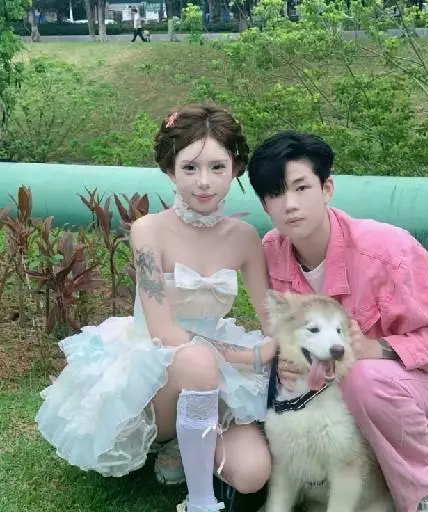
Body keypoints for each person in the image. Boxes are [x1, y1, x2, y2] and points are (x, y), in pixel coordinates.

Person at [35, 104, 276, 512]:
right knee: (197, 361)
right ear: (169, 170)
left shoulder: (245, 237)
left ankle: (188, 443)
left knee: (252, 474)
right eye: (190, 168)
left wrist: (279, 344)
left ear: (235, 168)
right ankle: (200, 501)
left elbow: (271, 319)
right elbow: (163, 331)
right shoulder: (150, 230)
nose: (204, 182)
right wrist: (251, 356)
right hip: (154, 364)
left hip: (214, 367)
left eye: (218, 167)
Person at [247, 131, 428, 512]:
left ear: (327, 188)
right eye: (275, 193)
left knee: (362, 377)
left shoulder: (387, 250)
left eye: (301, 187)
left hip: (427, 384)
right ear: (264, 204)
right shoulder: (272, 251)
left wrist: (377, 348)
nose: (290, 205)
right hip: (333, 386)